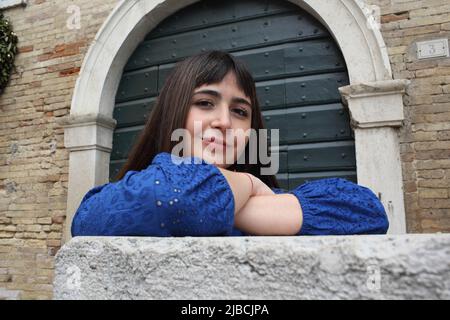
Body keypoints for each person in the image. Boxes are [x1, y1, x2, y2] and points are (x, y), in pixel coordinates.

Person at [71, 50, 389, 237]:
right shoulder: (116, 197)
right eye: (205, 103)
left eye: (239, 111)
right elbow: (90, 221)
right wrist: (245, 183)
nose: (224, 122)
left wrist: (239, 199)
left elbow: (370, 213)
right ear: (173, 112)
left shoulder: (269, 200)